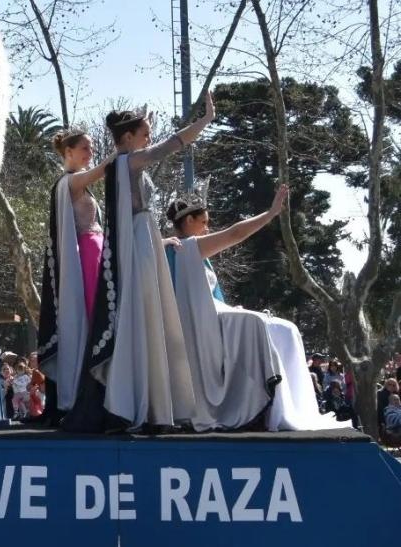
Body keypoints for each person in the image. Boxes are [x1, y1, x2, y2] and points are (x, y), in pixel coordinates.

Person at [66, 98, 215, 433]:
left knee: (151, 317)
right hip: (138, 242)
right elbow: (172, 144)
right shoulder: (130, 161)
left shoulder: (124, 162)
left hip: (144, 239)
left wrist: (143, 117)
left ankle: (153, 404)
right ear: (130, 136)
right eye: (145, 132)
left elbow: (144, 146)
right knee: (144, 316)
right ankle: (145, 406)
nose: (149, 137)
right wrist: (205, 120)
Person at [165, 185, 285, 431]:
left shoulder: (178, 248)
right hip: (193, 327)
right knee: (255, 324)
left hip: (207, 316)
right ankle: (252, 402)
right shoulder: (185, 248)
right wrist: (270, 214)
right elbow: (235, 234)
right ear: (189, 220)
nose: (207, 229)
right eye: (204, 222)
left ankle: (271, 404)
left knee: (281, 326)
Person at [36, 129, 116, 422]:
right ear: (68, 152)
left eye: (91, 147)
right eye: (84, 147)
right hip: (87, 255)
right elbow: (97, 172)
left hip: (96, 250)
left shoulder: (77, 182)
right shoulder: (69, 181)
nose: (90, 151)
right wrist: (121, 148)